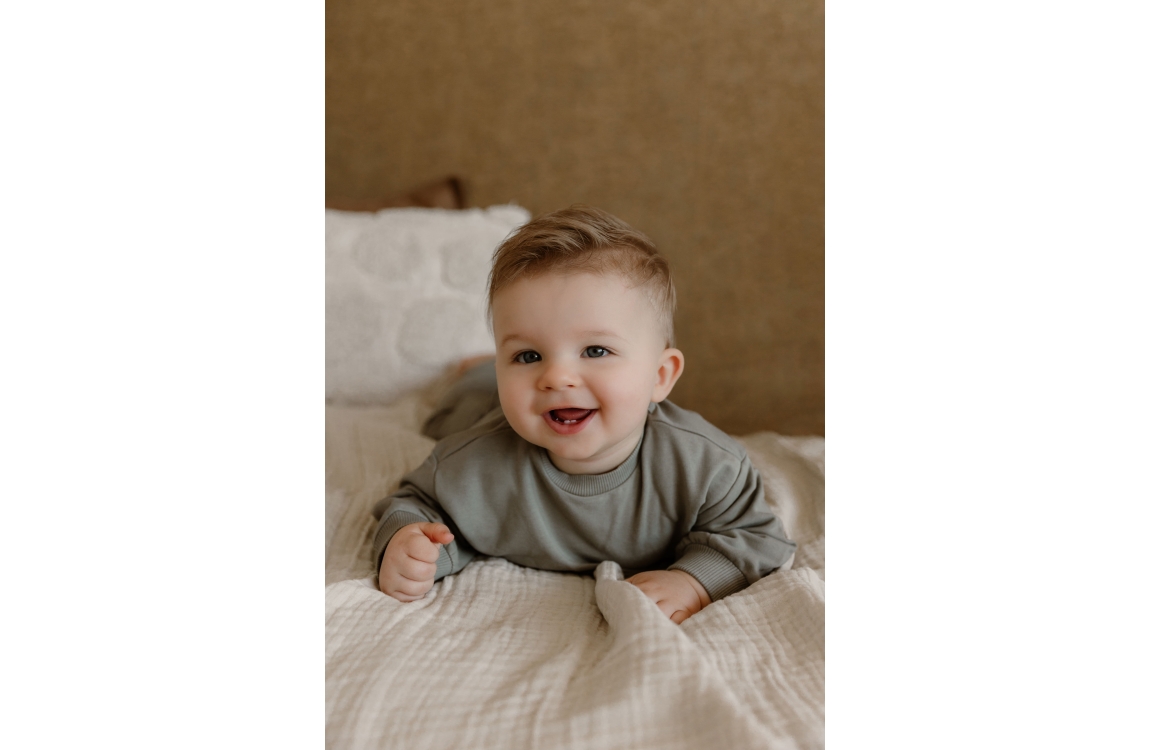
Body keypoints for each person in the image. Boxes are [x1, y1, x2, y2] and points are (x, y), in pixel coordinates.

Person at [371, 205, 795, 623]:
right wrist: (409, 544)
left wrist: (693, 582)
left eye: (595, 350)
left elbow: (757, 539)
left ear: (660, 376)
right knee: (456, 412)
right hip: (481, 405)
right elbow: (415, 505)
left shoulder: (707, 466)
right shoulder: (470, 462)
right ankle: (479, 372)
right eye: (528, 355)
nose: (557, 377)